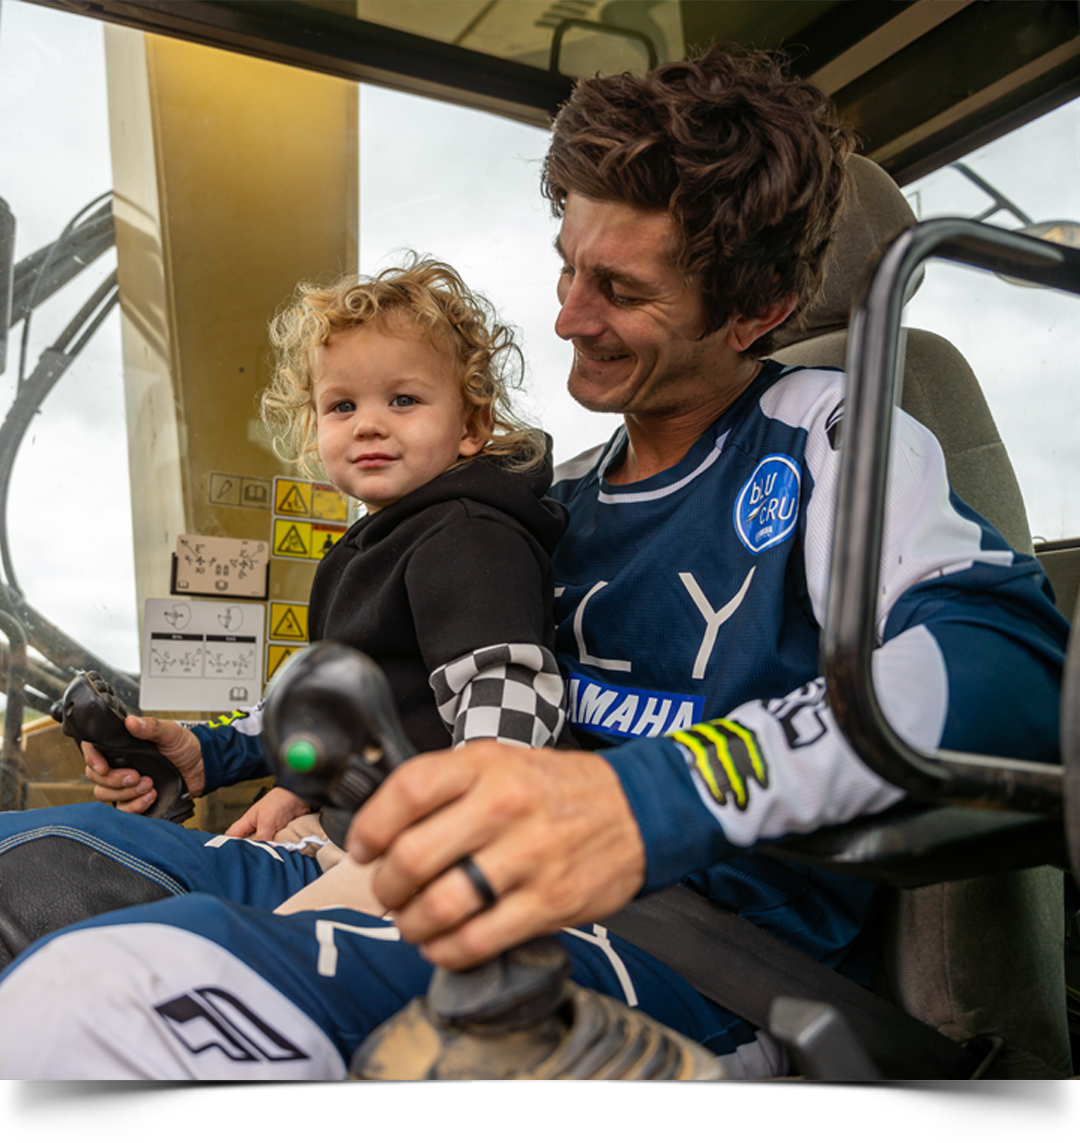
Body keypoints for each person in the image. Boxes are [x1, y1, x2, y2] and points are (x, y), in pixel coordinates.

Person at [0, 45, 1067, 1081]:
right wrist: (225, 759)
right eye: (567, 267)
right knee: (33, 865)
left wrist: (638, 800)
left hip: (687, 954)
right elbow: (399, 689)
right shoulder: (547, 504)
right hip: (451, 871)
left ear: (758, 310)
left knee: (98, 1006)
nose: (566, 317)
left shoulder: (824, 434)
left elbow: (1012, 672)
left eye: (620, 289)